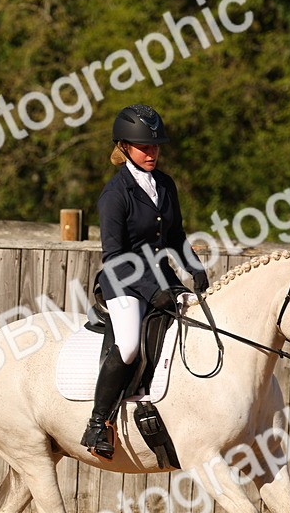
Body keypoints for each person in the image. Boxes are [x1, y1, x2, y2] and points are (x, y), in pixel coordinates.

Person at [80, 104, 210, 459]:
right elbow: (115, 256)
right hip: (123, 281)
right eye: (144, 147)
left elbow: (176, 235)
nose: (152, 153)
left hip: (161, 277)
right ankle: (97, 424)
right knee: (128, 345)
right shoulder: (114, 194)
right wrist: (153, 292)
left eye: (155, 147)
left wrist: (193, 268)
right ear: (124, 147)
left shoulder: (165, 185)